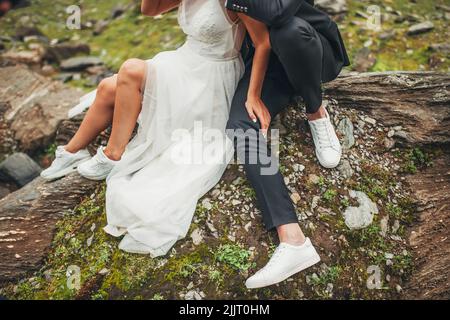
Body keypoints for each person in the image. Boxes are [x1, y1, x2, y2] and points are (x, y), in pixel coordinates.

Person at [40, 0, 270, 257]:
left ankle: (111, 155)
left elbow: (263, 43)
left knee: (130, 70)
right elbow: (149, 10)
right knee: (107, 88)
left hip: (211, 78)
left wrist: (253, 95)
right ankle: (71, 152)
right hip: (183, 62)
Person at [225, 0, 350, 288]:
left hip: (308, 51)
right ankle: (292, 239)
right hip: (266, 65)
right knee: (240, 124)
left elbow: (277, 11)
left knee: (287, 30)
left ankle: (316, 111)